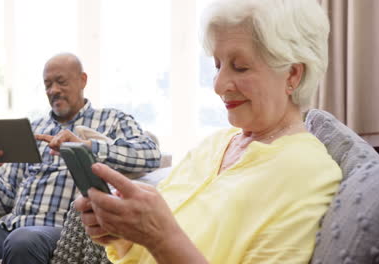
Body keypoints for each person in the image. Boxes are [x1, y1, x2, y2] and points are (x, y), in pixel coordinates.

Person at [74, 0, 342, 263]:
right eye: (217, 66)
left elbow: (163, 238)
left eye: (240, 67)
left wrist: (159, 236)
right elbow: (150, 247)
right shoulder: (214, 145)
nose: (218, 84)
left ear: (292, 75)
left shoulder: (308, 173)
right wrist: (121, 232)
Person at [0, 53, 161, 264]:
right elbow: (5, 203)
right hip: (9, 229)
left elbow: (150, 154)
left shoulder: (112, 120)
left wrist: (84, 147)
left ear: (83, 80)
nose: (53, 90)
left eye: (61, 82)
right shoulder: (32, 128)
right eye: (47, 84)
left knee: (23, 240)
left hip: (59, 233)